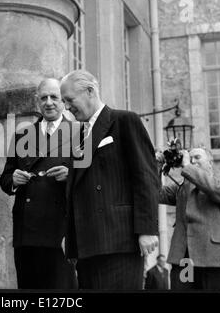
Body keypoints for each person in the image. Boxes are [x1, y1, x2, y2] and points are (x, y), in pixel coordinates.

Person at [60, 70, 159, 290]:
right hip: (87, 248)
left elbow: (146, 177)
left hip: (119, 242)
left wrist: (147, 229)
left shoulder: (124, 121)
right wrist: (72, 239)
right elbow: (76, 192)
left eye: (69, 100)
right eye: (64, 102)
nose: (66, 107)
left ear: (90, 91)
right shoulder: (78, 136)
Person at [0, 78, 77, 289]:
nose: (49, 102)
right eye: (44, 98)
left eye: (54, 97)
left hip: (59, 232)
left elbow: (90, 182)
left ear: (64, 102)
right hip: (27, 232)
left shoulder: (79, 134)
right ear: (37, 102)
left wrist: (69, 177)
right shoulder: (22, 135)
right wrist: (13, 180)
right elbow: (5, 179)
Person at [157, 147, 220, 290]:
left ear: (210, 162)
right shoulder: (183, 186)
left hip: (213, 259)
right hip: (184, 260)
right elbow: (156, 193)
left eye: (197, 157)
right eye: (190, 157)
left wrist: (187, 166)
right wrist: (156, 164)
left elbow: (217, 189)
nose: (192, 161)